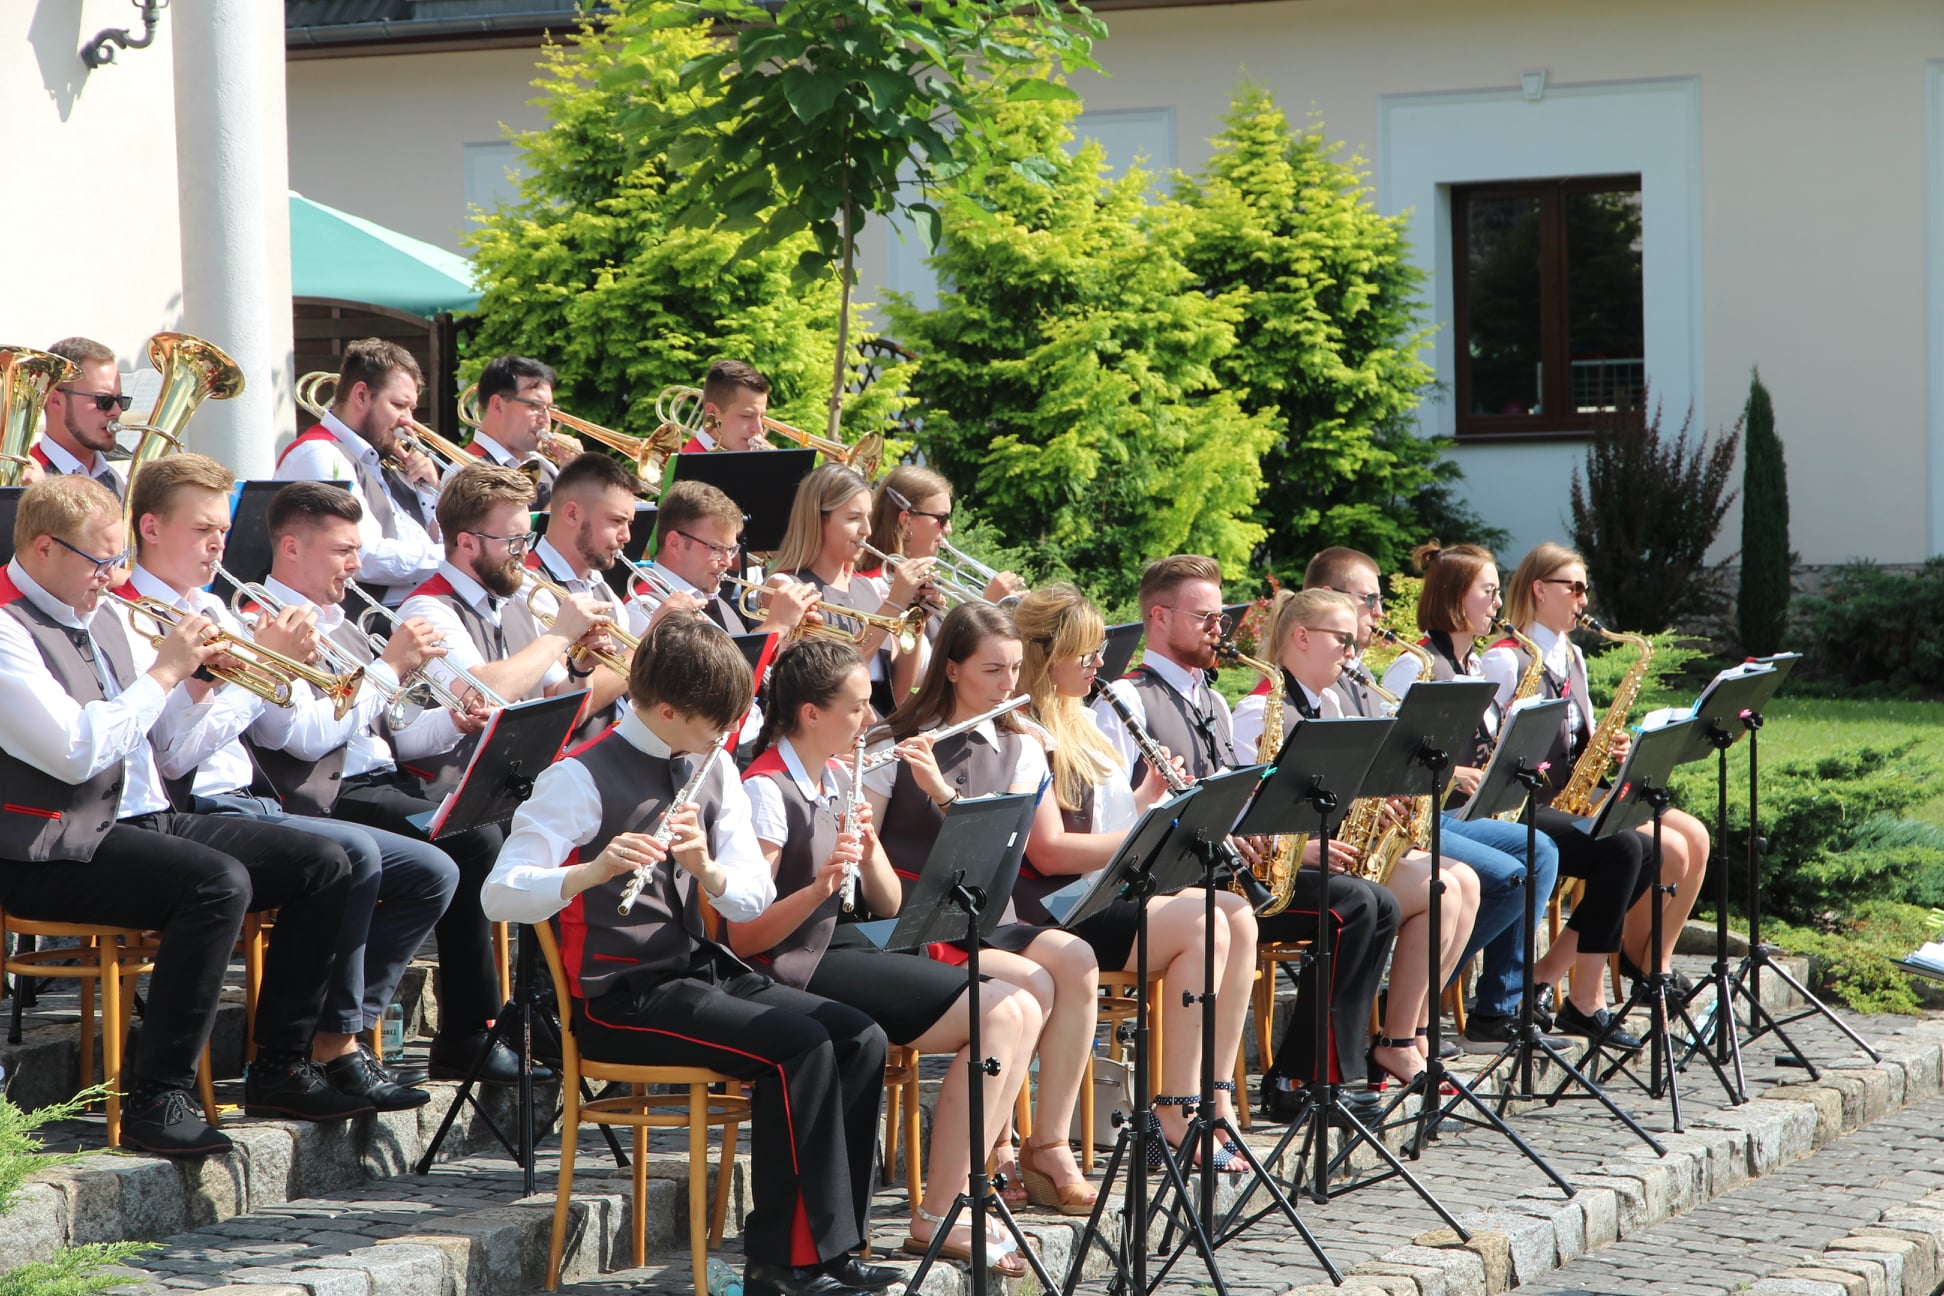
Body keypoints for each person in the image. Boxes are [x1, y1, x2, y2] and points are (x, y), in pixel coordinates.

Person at [484, 615, 895, 1296]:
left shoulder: (714, 767)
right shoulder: (577, 779)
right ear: (667, 709)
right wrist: (585, 874)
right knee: (800, 1048)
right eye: (716, 722)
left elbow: (751, 899)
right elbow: (499, 895)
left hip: (697, 972)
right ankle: (781, 1263)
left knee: (860, 1038)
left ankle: (834, 1248)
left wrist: (710, 872)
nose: (726, 735)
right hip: (621, 996)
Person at [0, 476, 361, 1154]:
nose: (112, 579)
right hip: (46, 843)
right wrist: (165, 673)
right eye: (99, 562)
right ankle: (157, 1096)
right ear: (44, 549)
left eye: (118, 563)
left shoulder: (105, 613)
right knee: (215, 882)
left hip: (138, 819)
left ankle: (280, 1064)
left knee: (322, 863)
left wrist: (243, 677)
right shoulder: (5, 628)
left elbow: (174, 745)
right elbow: (75, 753)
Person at [108, 454, 460, 1109]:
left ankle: (337, 1036)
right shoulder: (134, 618)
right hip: (204, 807)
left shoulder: (213, 605)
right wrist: (261, 673)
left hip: (254, 801)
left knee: (431, 871)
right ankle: (301, 1057)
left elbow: (328, 716)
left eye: (222, 528)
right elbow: (184, 753)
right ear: (150, 529)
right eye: (202, 529)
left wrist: (405, 687)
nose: (219, 543)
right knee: (351, 857)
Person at [729, 639, 1042, 1274]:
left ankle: (955, 1203)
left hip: (845, 941)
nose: (872, 721)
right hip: (794, 961)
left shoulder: (835, 777)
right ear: (812, 714)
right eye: (859, 708)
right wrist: (818, 887)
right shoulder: (766, 787)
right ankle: (939, 1214)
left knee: (1023, 1007)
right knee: (1002, 1012)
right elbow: (748, 935)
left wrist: (865, 844)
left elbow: (888, 899)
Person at [1091, 556, 1399, 1125]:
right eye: (1206, 617)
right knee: (1353, 903)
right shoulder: (1126, 700)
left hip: (1221, 877)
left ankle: (1287, 1082)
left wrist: (1256, 832)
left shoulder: (1208, 699)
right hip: (1161, 887)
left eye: (1221, 616)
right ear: (1159, 617)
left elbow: (1237, 798)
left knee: (1373, 900)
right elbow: (1111, 816)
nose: (1220, 629)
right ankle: (1273, 1084)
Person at [248, 482, 496, 1097]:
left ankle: (363, 1028)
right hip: (317, 795)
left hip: (381, 779)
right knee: (467, 841)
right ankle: (382, 1033)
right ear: (292, 548)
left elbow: (403, 737)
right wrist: (388, 668)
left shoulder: (346, 624)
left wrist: (453, 718)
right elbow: (303, 739)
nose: (358, 566)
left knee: (483, 825)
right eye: (343, 551)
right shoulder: (263, 622)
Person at [863, 601, 1099, 1213]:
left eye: (1016, 669)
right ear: (951, 670)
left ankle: (1047, 1143)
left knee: (1077, 960)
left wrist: (945, 796)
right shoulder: (892, 741)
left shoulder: (1019, 746)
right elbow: (869, 856)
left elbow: (1003, 851)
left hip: (981, 908)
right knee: (1036, 986)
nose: (1009, 685)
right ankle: (995, 1148)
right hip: (910, 913)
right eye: (993, 670)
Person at [1014, 584, 1257, 1167]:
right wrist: (1142, 832)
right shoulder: (1028, 729)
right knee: (1207, 925)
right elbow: (1050, 854)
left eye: (1101, 653)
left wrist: (1150, 797)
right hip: (1052, 907)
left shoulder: (1083, 724)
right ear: (1048, 657)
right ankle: (1171, 1113)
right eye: (1087, 655)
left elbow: (1110, 818)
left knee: (1238, 916)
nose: (1101, 666)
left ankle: (1212, 1100)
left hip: (1097, 891)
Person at [396, 463, 621, 1080]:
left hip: (502, 774)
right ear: (467, 542)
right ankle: (473, 1031)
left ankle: (561, 1008)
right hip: (434, 782)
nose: (524, 555)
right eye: (513, 541)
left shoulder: (503, 603)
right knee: (485, 838)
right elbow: (484, 693)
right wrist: (557, 636)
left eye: (527, 538)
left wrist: (575, 665)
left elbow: (546, 699)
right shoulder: (427, 611)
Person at [1315, 542, 1564, 1055]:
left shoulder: (1470, 664)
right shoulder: (1414, 668)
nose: (1499, 605)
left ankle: (1470, 1001)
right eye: (1489, 592)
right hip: (1426, 815)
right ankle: (1429, 1004)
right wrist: (1454, 777)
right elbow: (1404, 759)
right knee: (1503, 873)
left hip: (1436, 813)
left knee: (1539, 852)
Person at [1233, 588, 1483, 1091]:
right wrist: (1301, 849)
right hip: (1280, 873)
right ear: (1301, 637)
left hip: (1336, 856)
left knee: (1458, 884)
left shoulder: (1330, 705)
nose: (1353, 653)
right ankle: (1350, 1058)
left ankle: (1405, 1037)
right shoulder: (1255, 714)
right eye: (1342, 640)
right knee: (1417, 894)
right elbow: (1246, 818)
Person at [1483, 542, 1704, 1029]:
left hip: (1574, 791)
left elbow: (1581, 737)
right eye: (1574, 588)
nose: (1584, 600)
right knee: (1655, 850)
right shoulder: (1505, 659)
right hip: (1529, 802)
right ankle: (1580, 984)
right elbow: (1489, 747)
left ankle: (1646, 967)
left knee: (1694, 837)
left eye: (1585, 588)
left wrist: (1612, 746)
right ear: (1540, 590)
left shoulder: (1574, 656)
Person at [275, 338, 443, 604]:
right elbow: (364, 557)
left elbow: (431, 539)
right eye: (399, 405)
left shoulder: (386, 458)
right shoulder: (321, 454)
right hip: (366, 618)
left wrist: (429, 492)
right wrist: (452, 560)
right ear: (362, 395)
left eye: (411, 409)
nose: (409, 422)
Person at [771, 464, 933, 717]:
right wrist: (893, 605)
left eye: (867, 517)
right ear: (818, 520)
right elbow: (832, 678)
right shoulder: (787, 587)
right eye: (853, 518)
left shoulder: (872, 588)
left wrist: (915, 618)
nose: (866, 530)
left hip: (878, 732)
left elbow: (899, 692)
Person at [864, 465, 1025, 696]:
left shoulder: (927, 590)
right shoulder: (873, 587)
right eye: (941, 519)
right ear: (906, 520)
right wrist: (984, 608)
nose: (948, 529)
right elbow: (935, 679)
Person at [32, 337, 129, 495]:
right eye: (104, 400)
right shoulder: (25, 480)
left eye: (120, 400)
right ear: (56, 400)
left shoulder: (120, 483)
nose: (117, 411)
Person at [466, 354, 565, 508]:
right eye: (535, 406)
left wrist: (572, 472)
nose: (546, 419)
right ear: (498, 405)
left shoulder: (544, 464)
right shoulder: (464, 470)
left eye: (549, 408)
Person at [681, 359, 775, 454]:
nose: (759, 430)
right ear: (712, 412)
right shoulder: (689, 466)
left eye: (761, 416)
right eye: (746, 416)